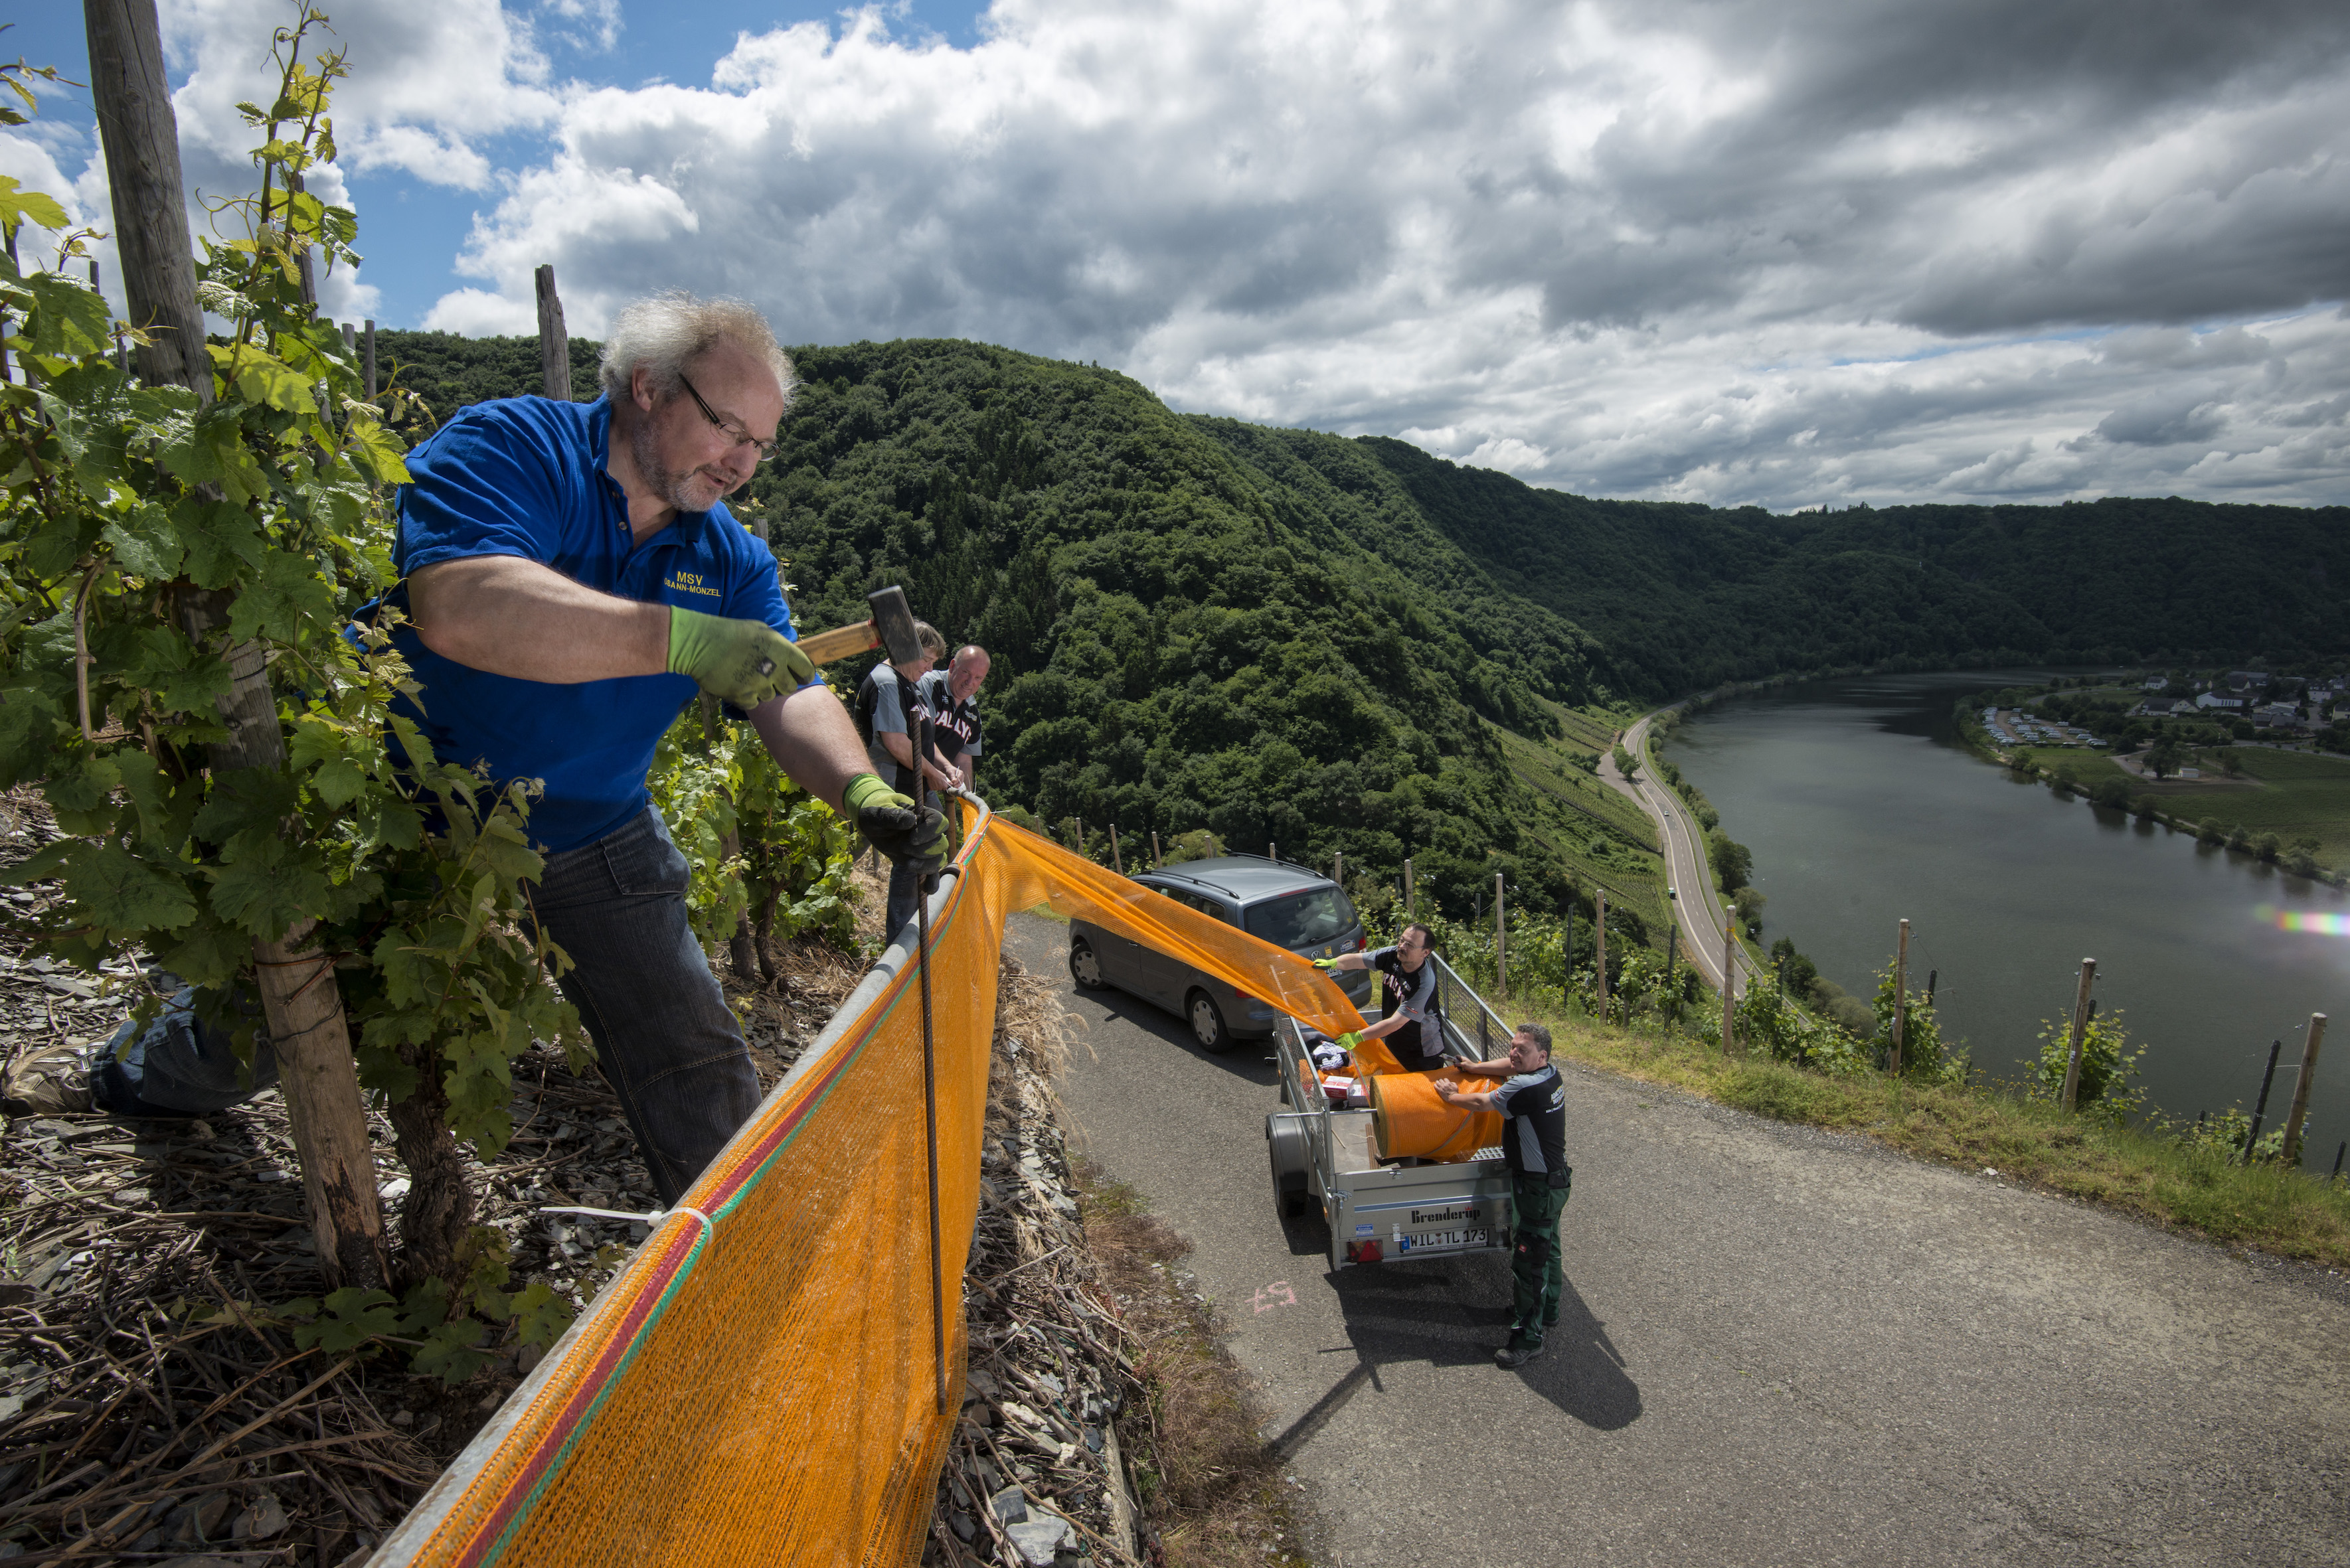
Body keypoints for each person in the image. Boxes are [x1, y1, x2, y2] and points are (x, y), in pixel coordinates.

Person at [4, 294, 945, 1209]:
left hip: (591, 819)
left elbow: (788, 690)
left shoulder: (728, 556)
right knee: (257, 1029)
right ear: (648, 387)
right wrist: (683, 639)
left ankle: (748, 1267)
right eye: (726, 427)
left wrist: (859, 790)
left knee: (691, 1051)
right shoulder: (513, 446)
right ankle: (131, 1075)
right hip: (400, 804)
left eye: (759, 445)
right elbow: (462, 606)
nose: (740, 462)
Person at [1438, 1024, 1570, 1369]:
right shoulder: (1550, 1075)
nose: (1514, 1054)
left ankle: (1528, 1340)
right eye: (1513, 1047)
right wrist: (1475, 1067)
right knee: (1549, 1249)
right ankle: (1549, 1310)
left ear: (1541, 1055)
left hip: (1536, 1187)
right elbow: (1509, 1067)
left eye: (1522, 1050)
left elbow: (1482, 1102)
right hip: (1555, 1182)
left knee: (1528, 1264)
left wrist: (1451, 1096)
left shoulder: (1524, 1087)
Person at [855, 619, 956, 937]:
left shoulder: (908, 683)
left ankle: (917, 929)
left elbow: (923, 737)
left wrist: (944, 766)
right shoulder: (887, 683)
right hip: (891, 787)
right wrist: (933, 773)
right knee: (910, 856)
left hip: (913, 784)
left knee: (928, 846)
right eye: (926, 659)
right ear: (905, 649)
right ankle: (902, 938)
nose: (929, 669)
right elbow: (897, 743)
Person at [1312, 922, 1446, 1071]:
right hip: (1395, 1041)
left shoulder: (1424, 983)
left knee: (1412, 1086)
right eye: (1402, 940)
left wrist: (1358, 1037)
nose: (1402, 946)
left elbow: (1396, 1023)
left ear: (1425, 953)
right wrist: (1333, 963)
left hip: (1422, 1053)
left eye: (1410, 945)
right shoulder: (1392, 955)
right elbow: (1359, 960)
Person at [916, 645, 990, 797]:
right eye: (966, 672)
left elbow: (964, 761)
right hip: (901, 774)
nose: (970, 682)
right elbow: (922, 735)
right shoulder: (930, 685)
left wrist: (968, 798)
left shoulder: (973, 713)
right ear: (952, 666)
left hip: (928, 786)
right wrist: (946, 766)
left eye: (978, 678)